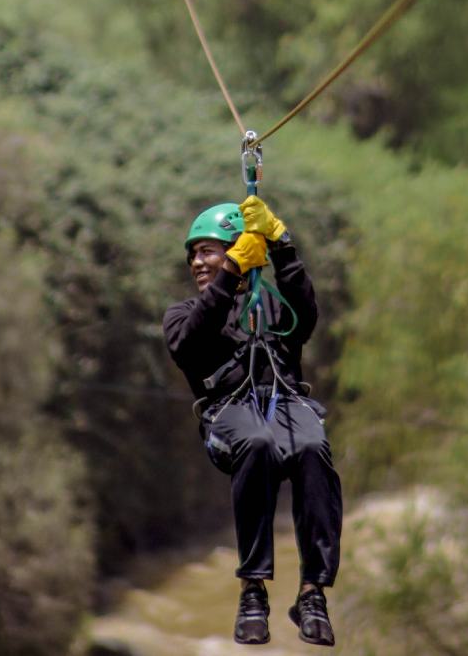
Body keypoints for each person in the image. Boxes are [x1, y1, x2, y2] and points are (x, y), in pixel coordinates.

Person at [163, 195, 342, 647]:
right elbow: (191, 344)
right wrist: (230, 273)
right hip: (230, 416)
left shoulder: (271, 310)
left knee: (312, 446)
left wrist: (282, 246)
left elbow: (306, 315)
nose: (198, 262)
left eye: (209, 251)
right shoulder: (183, 316)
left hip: (285, 404)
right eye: (194, 255)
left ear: (236, 249)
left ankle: (312, 592)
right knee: (258, 442)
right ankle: (253, 588)